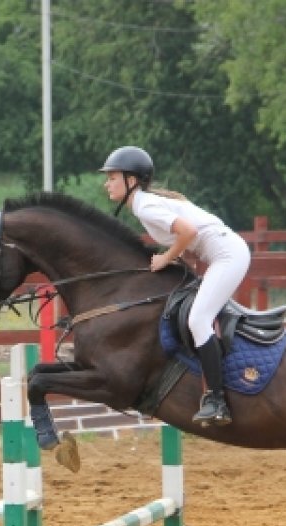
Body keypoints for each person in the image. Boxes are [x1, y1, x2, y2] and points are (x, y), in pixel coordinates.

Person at [100, 145, 250, 426]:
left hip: (227, 255)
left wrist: (165, 259)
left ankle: (217, 399)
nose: (106, 183)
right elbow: (190, 235)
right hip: (222, 253)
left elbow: (189, 232)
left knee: (198, 319)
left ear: (131, 181)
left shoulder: (144, 205)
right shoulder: (144, 204)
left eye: (112, 177)